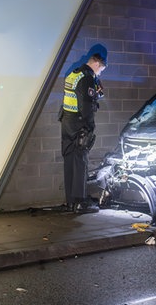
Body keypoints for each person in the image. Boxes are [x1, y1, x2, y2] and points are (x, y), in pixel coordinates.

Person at [59, 53, 107, 213]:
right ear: (97, 65)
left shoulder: (74, 73)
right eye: (101, 70)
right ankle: (80, 202)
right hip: (79, 123)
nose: (100, 74)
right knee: (80, 160)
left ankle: (71, 201)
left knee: (70, 160)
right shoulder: (86, 78)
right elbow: (86, 104)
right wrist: (88, 127)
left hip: (66, 121)